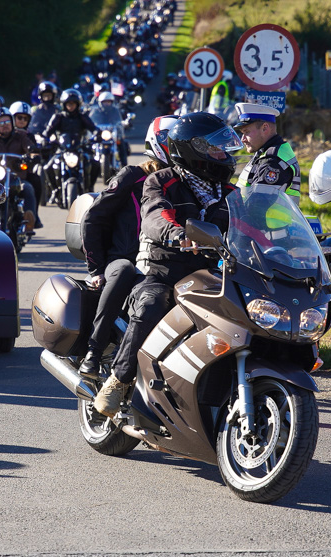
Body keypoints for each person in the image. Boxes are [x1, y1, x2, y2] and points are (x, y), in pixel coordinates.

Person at [93, 112, 243, 418]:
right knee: (151, 304)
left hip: (214, 274)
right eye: (217, 148)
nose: (225, 155)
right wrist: (177, 234)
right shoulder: (162, 181)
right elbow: (155, 216)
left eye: (225, 148)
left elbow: (256, 227)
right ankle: (119, 380)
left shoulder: (233, 194)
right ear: (194, 149)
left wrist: (287, 242)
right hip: (165, 270)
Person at [78, 115, 179, 378]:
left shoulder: (182, 183)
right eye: (173, 140)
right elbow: (92, 218)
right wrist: (96, 269)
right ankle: (94, 350)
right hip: (124, 259)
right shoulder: (133, 176)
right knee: (122, 271)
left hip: (162, 263)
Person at [233, 102, 301, 206]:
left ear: (265, 128)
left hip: (267, 223)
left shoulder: (273, 161)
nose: (243, 139)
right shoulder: (266, 153)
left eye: (246, 132)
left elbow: (256, 207)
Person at [41, 88, 100, 199]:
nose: (71, 106)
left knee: (95, 164)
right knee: (47, 168)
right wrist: (45, 138)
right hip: (62, 149)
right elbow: (48, 131)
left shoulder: (82, 117)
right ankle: (55, 190)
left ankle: (90, 187)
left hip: (80, 148)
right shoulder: (58, 117)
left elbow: (93, 128)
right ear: (64, 104)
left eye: (73, 103)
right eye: (68, 103)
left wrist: (97, 134)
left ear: (78, 104)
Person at [10, 101, 45, 226]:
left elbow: (34, 149)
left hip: (21, 171)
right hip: (2, 170)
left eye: (25, 118)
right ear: (12, 117)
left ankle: (33, 215)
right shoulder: (2, 132)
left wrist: (34, 156)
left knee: (35, 180)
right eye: (19, 117)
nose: (22, 121)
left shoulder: (29, 135)